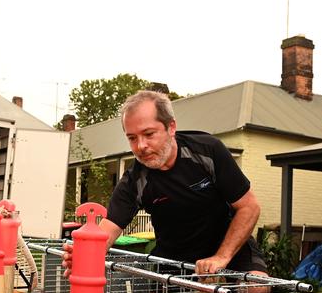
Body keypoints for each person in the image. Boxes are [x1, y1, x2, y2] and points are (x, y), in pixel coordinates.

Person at [63, 90, 267, 277]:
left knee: (257, 287)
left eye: (149, 134)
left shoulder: (207, 151)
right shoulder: (135, 181)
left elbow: (249, 207)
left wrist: (221, 257)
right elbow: (105, 232)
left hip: (228, 243)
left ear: (171, 127)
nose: (141, 146)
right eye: (132, 138)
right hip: (173, 255)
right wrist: (83, 254)